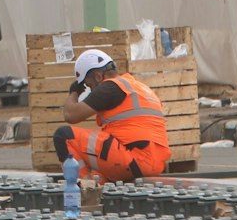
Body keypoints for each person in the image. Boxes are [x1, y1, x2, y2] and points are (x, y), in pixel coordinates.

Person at [55, 49, 169, 185]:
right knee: (98, 171)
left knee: (64, 136)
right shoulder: (138, 87)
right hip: (154, 163)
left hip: (132, 158)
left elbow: (70, 115)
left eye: (90, 85)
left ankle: (85, 187)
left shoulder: (110, 87)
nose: (91, 90)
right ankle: (96, 181)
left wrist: (74, 92)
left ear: (98, 77)